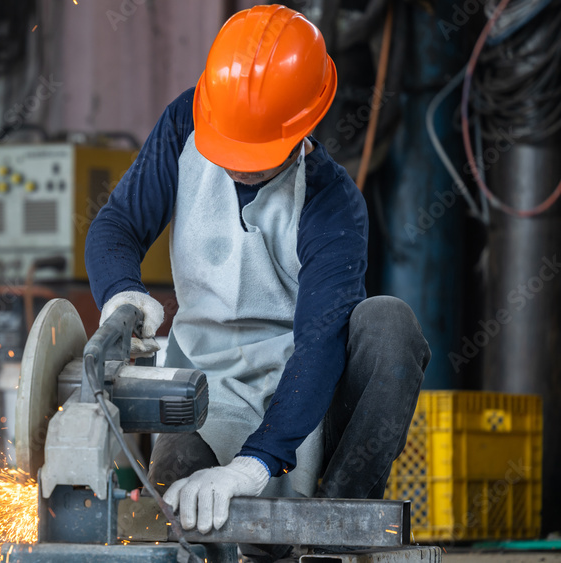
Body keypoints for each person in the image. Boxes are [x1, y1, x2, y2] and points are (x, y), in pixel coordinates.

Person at [85, 5, 431, 561]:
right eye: (232, 146)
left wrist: (253, 465)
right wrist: (122, 293)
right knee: (184, 511)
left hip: (301, 386)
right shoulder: (184, 124)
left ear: (305, 124)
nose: (240, 165)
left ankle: (335, 531)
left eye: (258, 153)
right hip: (201, 382)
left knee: (390, 323)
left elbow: (320, 345)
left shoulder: (333, 204)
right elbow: (117, 225)